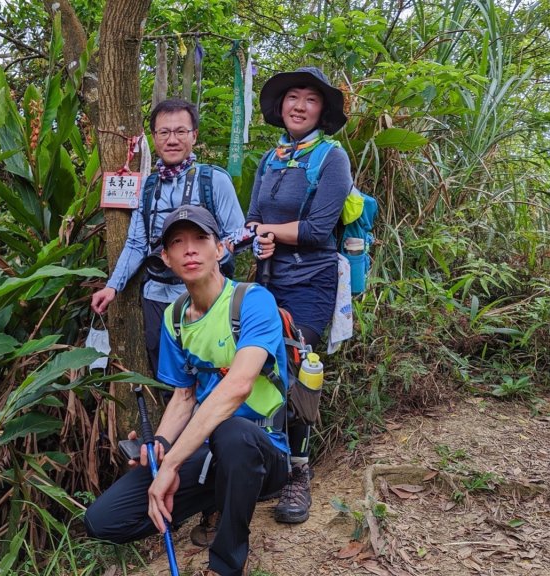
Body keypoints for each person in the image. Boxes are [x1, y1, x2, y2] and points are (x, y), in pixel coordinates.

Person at [84, 205, 289, 576]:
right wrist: (160, 445)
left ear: (221, 249)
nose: (189, 250)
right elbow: (183, 396)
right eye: (177, 242)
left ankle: (225, 564)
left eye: (200, 239)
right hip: (208, 450)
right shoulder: (174, 316)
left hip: (262, 448)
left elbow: (238, 386)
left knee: (233, 434)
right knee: (103, 519)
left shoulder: (253, 301)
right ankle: (211, 499)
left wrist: (173, 464)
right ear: (166, 257)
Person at [248, 66, 352, 525]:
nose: (300, 106)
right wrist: (259, 237)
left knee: (295, 365)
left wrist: (270, 231)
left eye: (311, 100)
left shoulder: (332, 158)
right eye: (293, 97)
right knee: (258, 365)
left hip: (311, 281)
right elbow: (253, 218)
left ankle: (298, 474)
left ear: (322, 111)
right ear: (281, 106)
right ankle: (264, 465)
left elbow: (317, 230)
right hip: (267, 280)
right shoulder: (269, 158)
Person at [90, 99, 245, 374]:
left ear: (194, 136)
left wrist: (205, 267)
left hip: (208, 295)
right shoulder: (148, 187)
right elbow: (137, 243)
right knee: (167, 372)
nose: (172, 140)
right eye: (164, 132)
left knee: (213, 367)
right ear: (154, 137)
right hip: (157, 295)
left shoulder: (213, 181)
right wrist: (112, 286)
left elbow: (236, 234)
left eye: (180, 132)